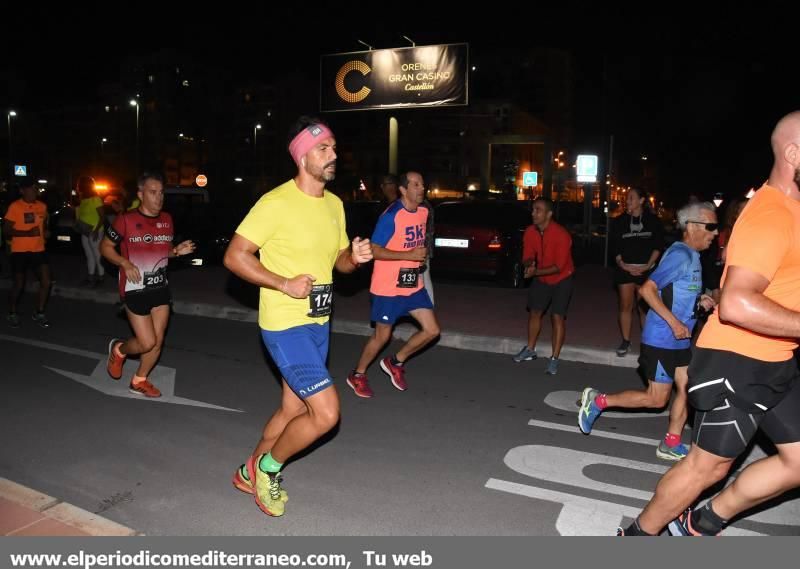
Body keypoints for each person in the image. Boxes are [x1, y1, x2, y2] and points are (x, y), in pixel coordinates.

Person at [619, 111, 800, 537]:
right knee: (707, 467)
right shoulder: (770, 214)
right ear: (794, 154)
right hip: (737, 361)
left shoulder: (793, 212)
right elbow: (736, 302)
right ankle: (634, 539)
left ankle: (703, 520)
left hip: (777, 359)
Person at [223, 116, 373, 517]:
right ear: (301, 156)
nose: (333, 155)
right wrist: (283, 283)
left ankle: (245, 471)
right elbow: (234, 256)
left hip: (318, 323)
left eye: (334, 148)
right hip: (284, 325)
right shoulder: (275, 203)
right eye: (323, 149)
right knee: (326, 413)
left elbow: (337, 262)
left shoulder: (336, 205)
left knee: (292, 410)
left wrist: (353, 259)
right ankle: (268, 471)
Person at [579, 201, 719, 461]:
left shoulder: (694, 257)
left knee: (688, 388)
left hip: (680, 341)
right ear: (691, 227)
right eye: (710, 226)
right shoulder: (680, 255)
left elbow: (678, 293)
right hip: (662, 339)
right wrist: (675, 323)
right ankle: (598, 401)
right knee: (657, 399)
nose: (715, 233)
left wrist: (699, 300)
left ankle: (671, 442)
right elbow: (647, 290)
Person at [100, 172, 196, 398]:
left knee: (158, 340)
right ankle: (120, 350)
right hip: (135, 288)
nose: (159, 197)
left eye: (161, 192)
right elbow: (105, 247)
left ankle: (139, 379)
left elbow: (162, 250)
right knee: (146, 342)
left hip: (160, 286)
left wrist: (176, 251)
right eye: (153, 192)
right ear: (141, 194)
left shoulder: (167, 219)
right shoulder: (125, 220)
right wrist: (124, 263)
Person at [346, 171, 439, 398]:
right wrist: (408, 254)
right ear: (403, 190)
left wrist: (419, 258)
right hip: (387, 287)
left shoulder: (425, 211)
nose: (421, 188)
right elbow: (374, 250)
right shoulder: (391, 216)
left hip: (412, 284)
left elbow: (418, 241)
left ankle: (395, 361)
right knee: (382, 336)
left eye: (423, 184)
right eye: (415, 185)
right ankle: (357, 375)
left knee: (432, 331)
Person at [512, 197, 575, 375]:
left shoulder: (561, 235)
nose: (533, 213)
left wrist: (534, 273)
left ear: (549, 214)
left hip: (563, 277)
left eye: (538, 210)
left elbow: (558, 267)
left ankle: (554, 359)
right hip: (542, 276)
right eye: (533, 209)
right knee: (535, 312)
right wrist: (529, 264)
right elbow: (527, 255)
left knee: (557, 317)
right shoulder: (531, 232)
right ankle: (530, 350)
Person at [611, 188, 664, 356]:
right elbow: (615, 246)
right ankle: (626, 341)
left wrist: (648, 265)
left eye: (631, 198)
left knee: (644, 308)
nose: (627, 201)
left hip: (646, 270)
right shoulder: (619, 221)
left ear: (641, 200)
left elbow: (658, 245)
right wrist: (623, 264)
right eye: (627, 198)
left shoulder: (653, 221)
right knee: (625, 306)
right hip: (625, 269)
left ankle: (647, 342)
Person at [3, 179, 51, 328]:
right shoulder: (15, 207)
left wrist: (46, 232)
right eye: (30, 189)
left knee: (46, 281)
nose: (34, 192)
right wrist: (27, 233)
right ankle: (12, 312)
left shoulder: (42, 206)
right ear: (22, 191)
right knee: (19, 284)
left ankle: (39, 312)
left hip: (38, 250)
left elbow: (43, 227)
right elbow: (6, 231)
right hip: (19, 251)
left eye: (35, 189)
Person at [75, 176, 106, 286]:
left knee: (97, 254)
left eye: (78, 185)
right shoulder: (83, 200)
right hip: (85, 231)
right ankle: (91, 276)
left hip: (95, 231)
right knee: (89, 255)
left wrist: (96, 230)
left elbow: (102, 217)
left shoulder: (95, 199)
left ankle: (101, 277)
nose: (77, 187)